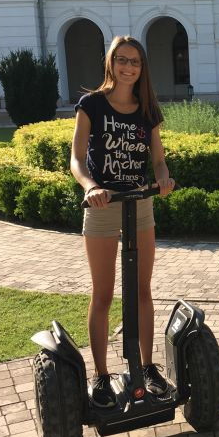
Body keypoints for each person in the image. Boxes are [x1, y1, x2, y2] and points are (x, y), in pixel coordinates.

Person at [70, 35, 175, 408]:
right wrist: (90, 186)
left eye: (135, 61)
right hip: (102, 205)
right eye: (122, 60)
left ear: (142, 68)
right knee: (102, 294)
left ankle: (146, 368)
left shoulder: (147, 110)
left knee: (143, 290)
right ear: (111, 63)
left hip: (139, 204)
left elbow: (158, 160)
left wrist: (163, 178)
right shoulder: (92, 105)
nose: (128, 67)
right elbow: (77, 159)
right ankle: (100, 375)